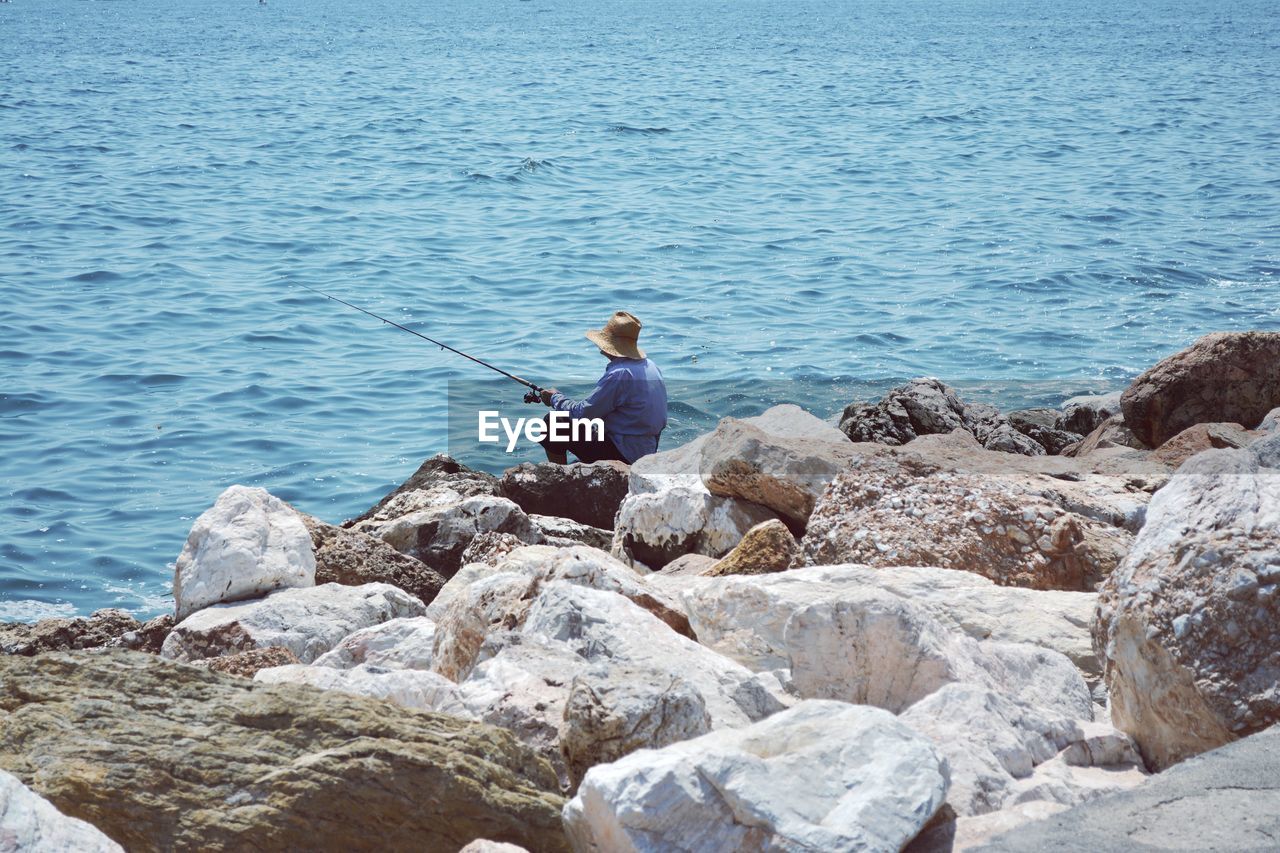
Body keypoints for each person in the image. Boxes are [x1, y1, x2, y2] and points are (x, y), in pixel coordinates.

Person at [536, 311, 667, 464]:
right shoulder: (650, 366)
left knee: (553, 422)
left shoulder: (620, 374)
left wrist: (554, 398)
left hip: (624, 455)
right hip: (646, 449)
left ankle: (558, 478)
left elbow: (582, 414)